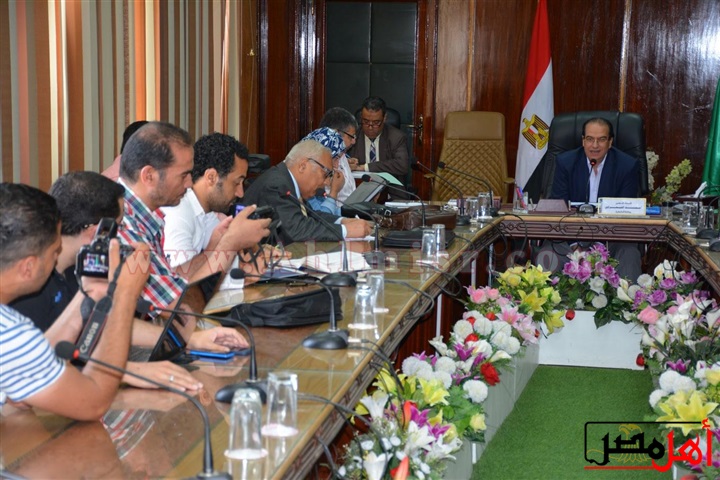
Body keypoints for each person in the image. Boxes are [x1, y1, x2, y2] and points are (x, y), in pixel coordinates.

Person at [10, 172, 243, 391]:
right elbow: (35, 367)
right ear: (97, 232)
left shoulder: (81, 269)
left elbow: (104, 323)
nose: (123, 235)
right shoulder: (28, 288)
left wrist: (188, 339)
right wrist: (127, 371)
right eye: (119, 226)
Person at [0, 182, 150, 420]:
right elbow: (93, 402)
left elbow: (36, 362)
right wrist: (125, 295)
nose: (57, 258)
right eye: (54, 252)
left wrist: (90, 292)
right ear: (28, 267)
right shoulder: (11, 332)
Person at [161, 132, 272, 284]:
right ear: (211, 177)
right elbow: (181, 281)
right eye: (236, 183)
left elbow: (216, 261)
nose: (240, 193)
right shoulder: (178, 211)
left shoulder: (209, 212)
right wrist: (231, 243)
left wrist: (257, 255)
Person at [540, 117, 642, 280]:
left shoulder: (627, 165)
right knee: (548, 253)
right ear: (583, 141)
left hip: (611, 240)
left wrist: (599, 250)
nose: (595, 145)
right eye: (590, 139)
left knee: (629, 252)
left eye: (601, 139)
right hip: (570, 238)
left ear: (610, 142)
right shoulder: (566, 162)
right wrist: (575, 247)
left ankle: (629, 296)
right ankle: (544, 296)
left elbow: (625, 213)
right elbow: (559, 207)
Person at [242, 139, 372, 244]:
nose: (326, 182)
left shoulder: (287, 181)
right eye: (325, 174)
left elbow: (311, 216)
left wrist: (342, 221)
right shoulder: (276, 185)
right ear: (303, 166)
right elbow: (297, 229)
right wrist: (345, 231)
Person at [346, 96, 409, 184]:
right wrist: (347, 162)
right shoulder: (352, 136)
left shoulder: (396, 137)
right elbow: (337, 160)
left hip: (389, 189)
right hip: (358, 187)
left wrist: (365, 167)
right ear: (361, 117)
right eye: (366, 121)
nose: (370, 127)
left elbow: (402, 165)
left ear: (384, 118)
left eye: (376, 122)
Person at [318, 107, 359, 203]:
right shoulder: (317, 162)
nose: (354, 141)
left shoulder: (342, 154)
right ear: (335, 134)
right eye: (351, 137)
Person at [304, 127, 347, 216]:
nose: (336, 165)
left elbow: (330, 212)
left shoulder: (317, 175)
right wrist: (334, 191)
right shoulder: (304, 179)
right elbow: (321, 218)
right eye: (336, 158)